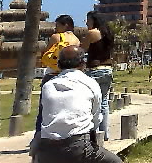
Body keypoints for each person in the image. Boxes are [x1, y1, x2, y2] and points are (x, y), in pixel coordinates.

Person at [36, 45, 121, 163]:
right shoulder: (90, 83)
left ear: (59, 65)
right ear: (83, 64)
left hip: (47, 151)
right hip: (78, 147)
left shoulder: (48, 86)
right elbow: (96, 118)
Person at [33, 16, 80, 147]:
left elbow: (47, 54)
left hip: (52, 74)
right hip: (68, 76)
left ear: (65, 25)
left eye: (58, 25)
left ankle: (40, 138)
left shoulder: (56, 37)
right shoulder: (76, 40)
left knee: (44, 109)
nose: (56, 27)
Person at [81, 12, 114, 141]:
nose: (86, 23)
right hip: (107, 69)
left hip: (95, 70)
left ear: (93, 20)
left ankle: (94, 134)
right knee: (104, 103)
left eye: (88, 20)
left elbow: (83, 48)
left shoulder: (92, 33)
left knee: (92, 103)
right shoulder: (108, 33)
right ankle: (104, 134)